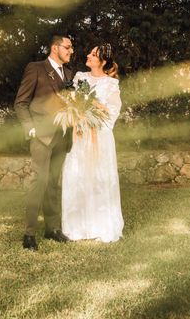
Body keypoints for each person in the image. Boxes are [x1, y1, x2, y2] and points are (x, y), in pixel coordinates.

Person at [14, 34, 75, 251]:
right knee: (38, 182)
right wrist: (30, 129)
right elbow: (20, 103)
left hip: (63, 137)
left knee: (53, 184)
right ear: (55, 48)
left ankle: (53, 229)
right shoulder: (36, 68)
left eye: (71, 48)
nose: (71, 51)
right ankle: (29, 234)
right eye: (68, 47)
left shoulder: (69, 74)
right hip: (41, 137)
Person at [61, 43, 124, 242]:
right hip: (80, 136)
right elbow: (70, 102)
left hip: (100, 138)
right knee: (78, 176)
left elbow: (112, 113)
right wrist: (77, 114)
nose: (88, 55)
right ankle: (77, 226)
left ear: (102, 61)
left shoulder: (111, 84)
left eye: (93, 54)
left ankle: (101, 225)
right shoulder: (80, 78)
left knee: (98, 177)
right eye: (89, 52)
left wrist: (94, 110)